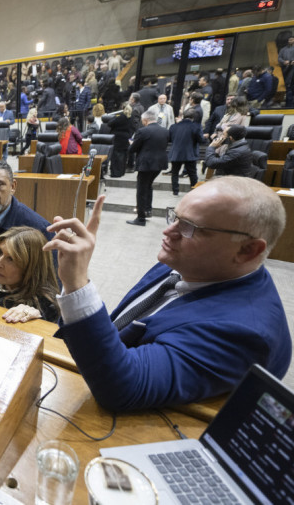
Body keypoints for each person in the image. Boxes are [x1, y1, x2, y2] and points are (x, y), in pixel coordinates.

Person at [44, 176, 291, 411]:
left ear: (248, 250)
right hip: (93, 373)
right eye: (174, 217)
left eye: (190, 227)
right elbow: (121, 328)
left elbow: (122, 388)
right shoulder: (192, 264)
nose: (168, 232)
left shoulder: (245, 333)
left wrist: (77, 284)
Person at [0, 227, 59, 324]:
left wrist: (35, 317)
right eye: (0, 252)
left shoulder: (43, 305)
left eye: (11, 259)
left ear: (31, 268)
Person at [126, 110, 169, 226]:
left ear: (145, 120)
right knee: (148, 186)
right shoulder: (165, 131)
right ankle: (148, 210)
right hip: (159, 163)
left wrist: (131, 144)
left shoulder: (142, 131)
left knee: (141, 190)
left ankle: (141, 218)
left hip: (146, 164)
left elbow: (132, 149)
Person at [168, 108, 205, 195]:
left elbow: (170, 139)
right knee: (192, 173)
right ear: (193, 117)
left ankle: (175, 191)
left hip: (176, 152)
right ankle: (194, 190)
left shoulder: (173, 126)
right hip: (190, 153)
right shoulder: (195, 126)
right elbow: (201, 140)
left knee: (175, 172)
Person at [108, 104, 132, 178]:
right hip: (125, 138)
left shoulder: (120, 116)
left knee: (116, 156)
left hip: (117, 138)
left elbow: (110, 123)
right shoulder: (131, 116)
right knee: (123, 156)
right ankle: (121, 172)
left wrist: (114, 117)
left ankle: (115, 173)